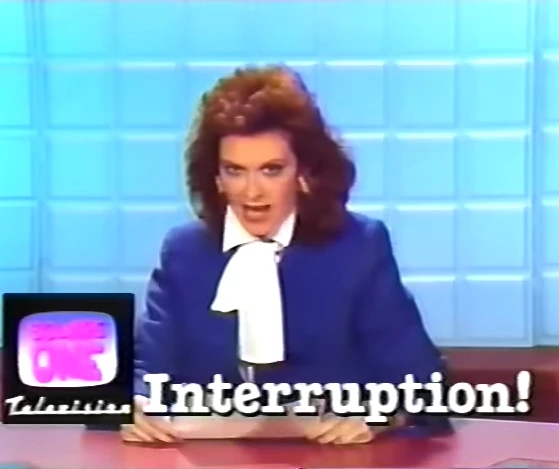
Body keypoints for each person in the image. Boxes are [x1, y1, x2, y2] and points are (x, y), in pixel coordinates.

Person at [121, 65, 450, 445]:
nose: (252, 192)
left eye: (271, 170)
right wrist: (137, 406)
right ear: (217, 178)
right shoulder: (185, 252)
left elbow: (423, 385)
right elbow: (147, 371)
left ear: (303, 174)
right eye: (235, 171)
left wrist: (382, 416)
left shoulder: (358, 247)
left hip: (331, 459)